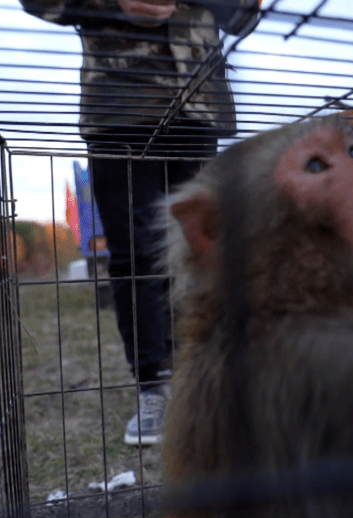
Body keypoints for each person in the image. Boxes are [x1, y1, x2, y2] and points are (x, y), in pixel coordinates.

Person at [20, 0, 260, 445]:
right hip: (119, 103)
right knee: (135, 253)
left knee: (205, 250)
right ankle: (154, 386)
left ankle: (207, 378)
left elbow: (246, 12)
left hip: (198, 104)